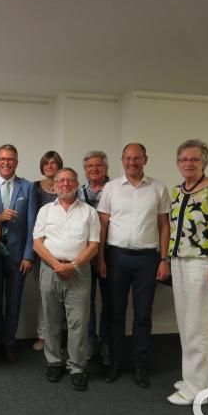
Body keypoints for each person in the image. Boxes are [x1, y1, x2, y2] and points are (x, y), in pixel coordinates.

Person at [166, 139, 208, 406]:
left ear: (204, 161)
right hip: (178, 261)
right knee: (185, 323)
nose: (188, 163)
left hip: (202, 262)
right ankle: (194, 379)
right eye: (183, 159)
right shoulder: (177, 191)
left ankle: (198, 390)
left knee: (199, 326)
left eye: (194, 159)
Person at [97, 143, 171, 387]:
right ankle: (116, 362)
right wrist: (100, 258)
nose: (132, 162)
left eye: (137, 158)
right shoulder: (111, 188)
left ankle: (140, 364)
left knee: (143, 314)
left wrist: (164, 259)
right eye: (128, 158)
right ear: (122, 160)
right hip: (116, 257)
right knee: (116, 313)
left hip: (147, 259)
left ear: (145, 160)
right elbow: (103, 226)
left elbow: (164, 226)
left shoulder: (158, 188)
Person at [32, 168, 100, 391]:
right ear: (54, 185)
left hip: (79, 271)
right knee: (51, 319)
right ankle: (54, 361)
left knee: (78, 321)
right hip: (50, 269)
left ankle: (77, 366)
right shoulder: (45, 211)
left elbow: (93, 246)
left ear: (77, 183)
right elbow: (38, 243)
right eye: (61, 181)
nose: (65, 184)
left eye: (70, 180)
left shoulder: (89, 212)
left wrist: (72, 265)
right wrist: (57, 265)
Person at [0, 144, 37, 363]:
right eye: (2, 159)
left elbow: (33, 224)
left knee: (14, 301)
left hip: (17, 256)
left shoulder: (28, 187)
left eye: (10, 159)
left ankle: (10, 343)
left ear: (16, 162)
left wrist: (29, 255)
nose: (6, 162)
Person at [76, 150, 111, 365]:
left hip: (111, 253)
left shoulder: (117, 190)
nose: (94, 169)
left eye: (98, 165)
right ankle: (89, 344)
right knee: (85, 302)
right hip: (84, 254)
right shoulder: (78, 192)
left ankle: (106, 344)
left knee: (110, 302)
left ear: (106, 168)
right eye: (90, 166)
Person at [30, 150, 63, 352]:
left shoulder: (66, 186)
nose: (50, 166)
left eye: (54, 163)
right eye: (46, 163)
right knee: (45, 295)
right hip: (40, 250)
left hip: (63, 250)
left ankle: (58, 336)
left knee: (63, 296)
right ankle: (42, 335)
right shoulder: (34, 188)